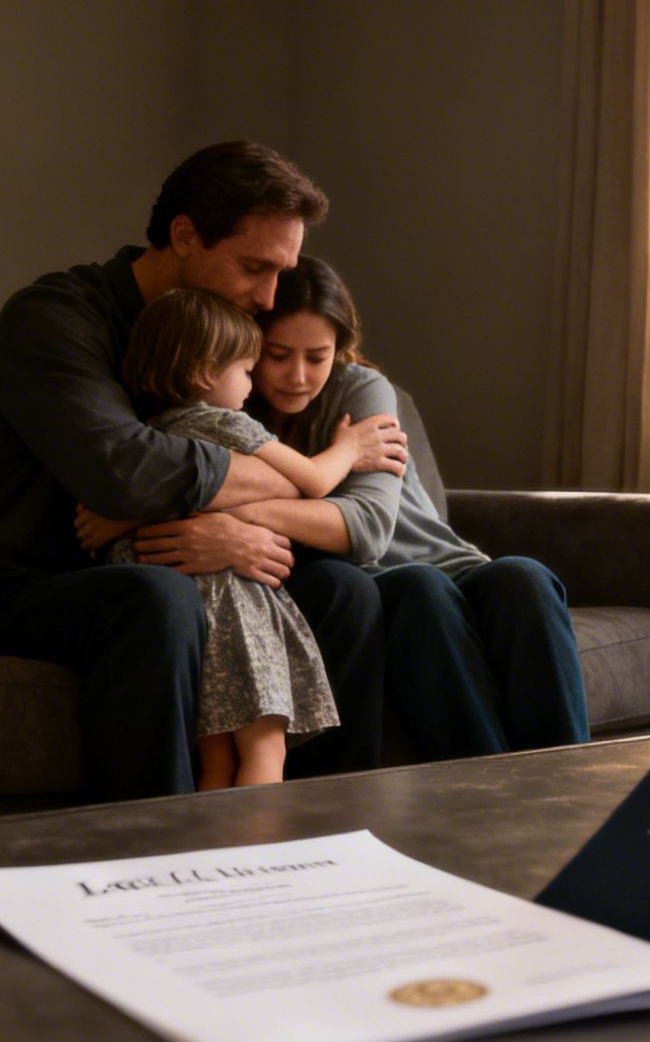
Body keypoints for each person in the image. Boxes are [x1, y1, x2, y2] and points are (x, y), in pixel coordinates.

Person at [0, 141, 404, 799]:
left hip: (146, 568)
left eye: (280, 273)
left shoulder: (223, 335)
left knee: (347, 590)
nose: (268, 297)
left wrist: (226, 524)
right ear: (184, 235)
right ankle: (161, 858)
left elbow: (217, 470)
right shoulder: (56, 319)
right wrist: (255, 489)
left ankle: (314, 844)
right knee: (156, 596)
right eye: (254, 267)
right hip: (10, 588)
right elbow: (126, 473)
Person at [232, 256, 592, 759]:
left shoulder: (362, 388)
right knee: (420, 588)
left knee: (524, 578)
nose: (297, 376)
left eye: (317, 357)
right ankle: (487, 789)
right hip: (380, 581)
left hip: (450, 563)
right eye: (277, 355)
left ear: (339, 349)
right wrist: (338, 460)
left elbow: (369, 524)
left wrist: (240, 507)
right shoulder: (231, 405)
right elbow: (362, 547)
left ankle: (571, 788)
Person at [106, 288, 400, 789]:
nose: (252, 383)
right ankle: (261, 856)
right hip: (234, 600)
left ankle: (208, 850)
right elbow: (312, 479)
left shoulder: (148, 435)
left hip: (183, 608)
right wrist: (348, 449)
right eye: (254, 366)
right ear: (204, 374)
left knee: (217, 761)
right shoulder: (232, 425)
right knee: (267, 751)